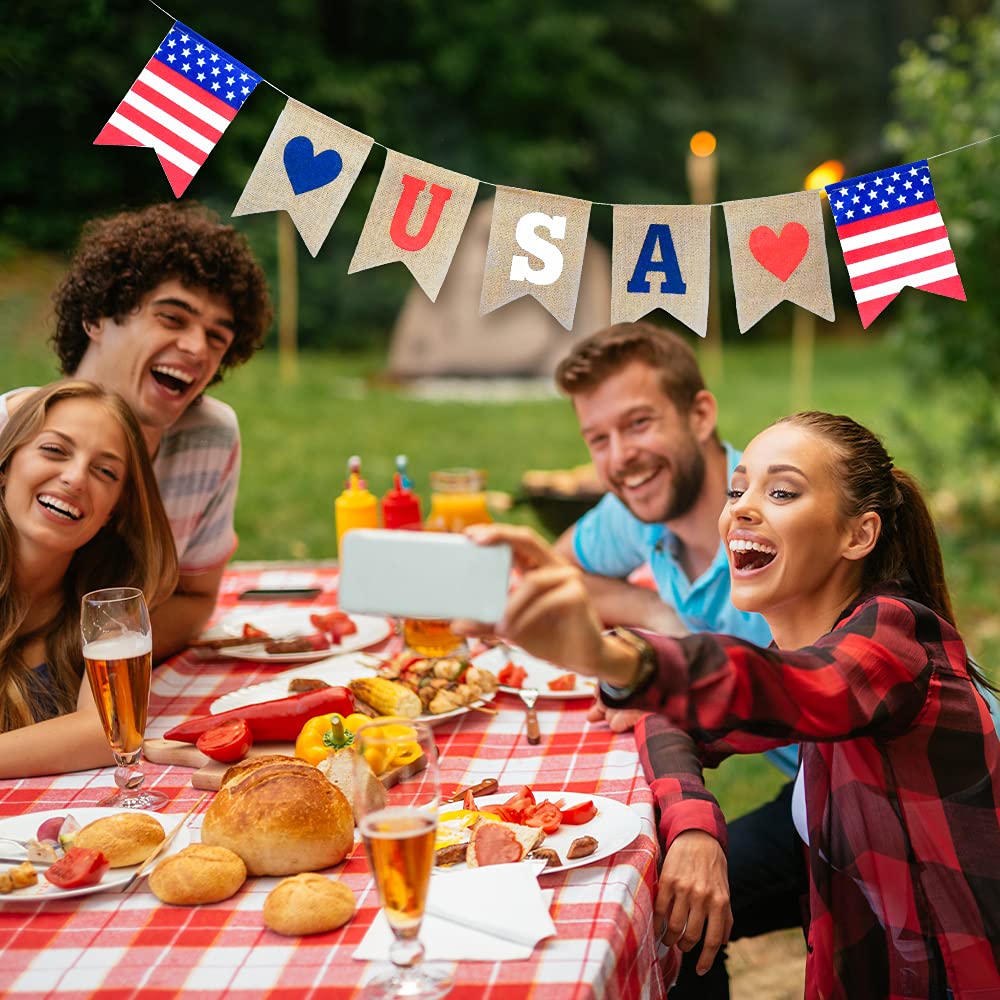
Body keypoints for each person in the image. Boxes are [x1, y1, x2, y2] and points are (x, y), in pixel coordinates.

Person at [458, 412, 1000, 999]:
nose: (741, 507)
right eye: (737, 489)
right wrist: (694, 829)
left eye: (783, 492)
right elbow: (672, 717)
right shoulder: (814, 647)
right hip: (860, 968)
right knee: (673, 905)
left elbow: (771, 685)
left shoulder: (891, 643)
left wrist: (615, 658)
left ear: (858, 535)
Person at [550, 320, 799, 990]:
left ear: (700, 414)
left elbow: (794, 698)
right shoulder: (640, 508)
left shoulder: (782, 518)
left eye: (637, 424)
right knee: (670, 908)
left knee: (671, 913)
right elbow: (554, 571)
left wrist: (655, 669)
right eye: (598, 438)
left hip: (878, 794)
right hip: (808, 775)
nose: (620, 457)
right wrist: (656, 616)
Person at [0, 202, 272, 660]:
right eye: (172, 317)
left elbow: (195, 596)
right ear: (98, 317)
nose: (196, 348)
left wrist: (91, 660)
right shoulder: (9, 429)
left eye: (217, 337)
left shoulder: (211, 436)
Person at [0, 381, 179, 778]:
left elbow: (106, 733)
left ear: (114, 511)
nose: (76, 478)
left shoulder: (109, 598)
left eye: (105, 471)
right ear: (6, 465)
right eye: (54, 450)